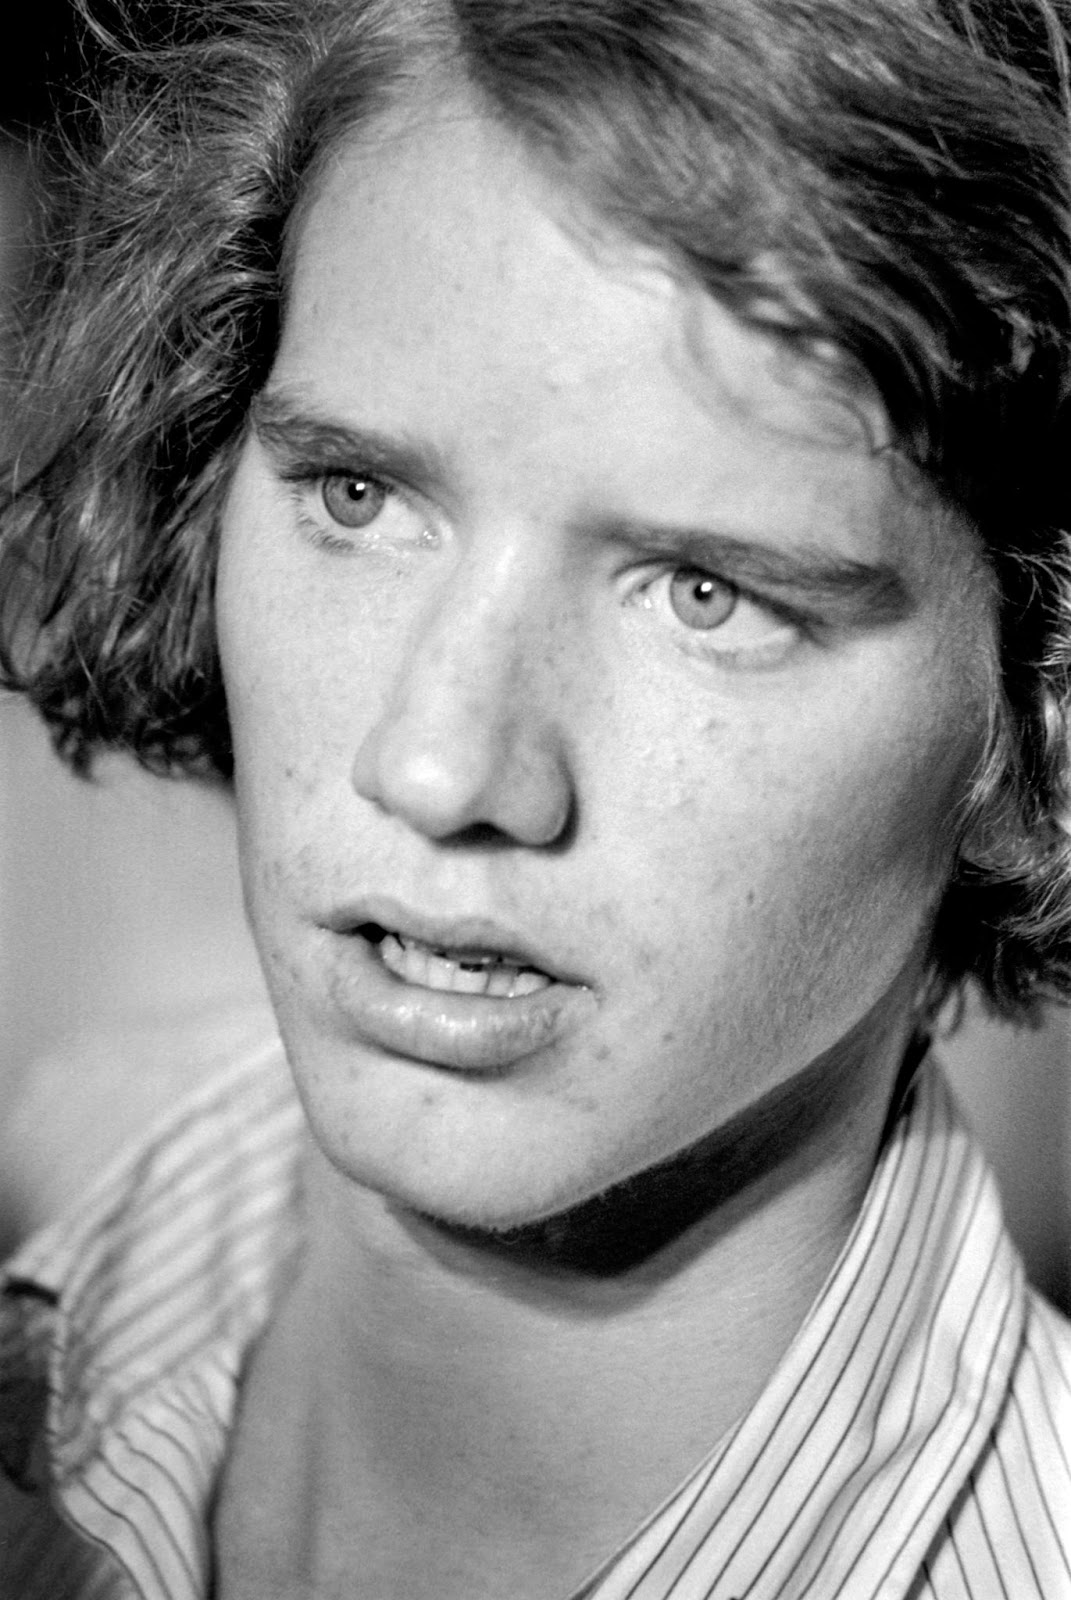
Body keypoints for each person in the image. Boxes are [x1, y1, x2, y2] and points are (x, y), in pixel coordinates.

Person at [1, 0, 1070, 1594]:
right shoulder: (65, 1194)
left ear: (1031, 733)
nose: (439, 765)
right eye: (357, 499)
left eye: (710, 593)